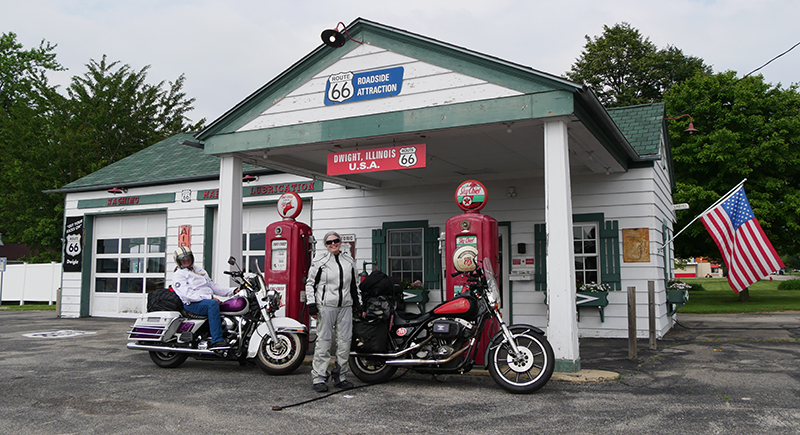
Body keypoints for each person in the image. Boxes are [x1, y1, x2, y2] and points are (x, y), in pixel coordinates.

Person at [306, 231, 361, 392]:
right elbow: (310, 284)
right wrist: (311, 305)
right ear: (325, 245)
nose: (333, 244)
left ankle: (340, 376)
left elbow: (354, 286)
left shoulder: (349, 261)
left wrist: (359, 305)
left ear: (340, 242)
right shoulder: (320, 262)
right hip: (326, 306)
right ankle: (319, 377)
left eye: (335, 241)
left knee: (345, 342)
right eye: (329, 242)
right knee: (324, 341)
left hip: (345, 306)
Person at [171, 246, 239, 349]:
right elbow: (187, 294)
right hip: (193, 304)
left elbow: (213, 287)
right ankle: (217, 340)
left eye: (188, 257)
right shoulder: (178, 275)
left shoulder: (198, 270)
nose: (186, 260)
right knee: (213, 305)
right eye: (183, 259)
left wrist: (233, 291)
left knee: (229, 304)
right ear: (178, 261)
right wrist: (209, 297)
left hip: (205, 301)